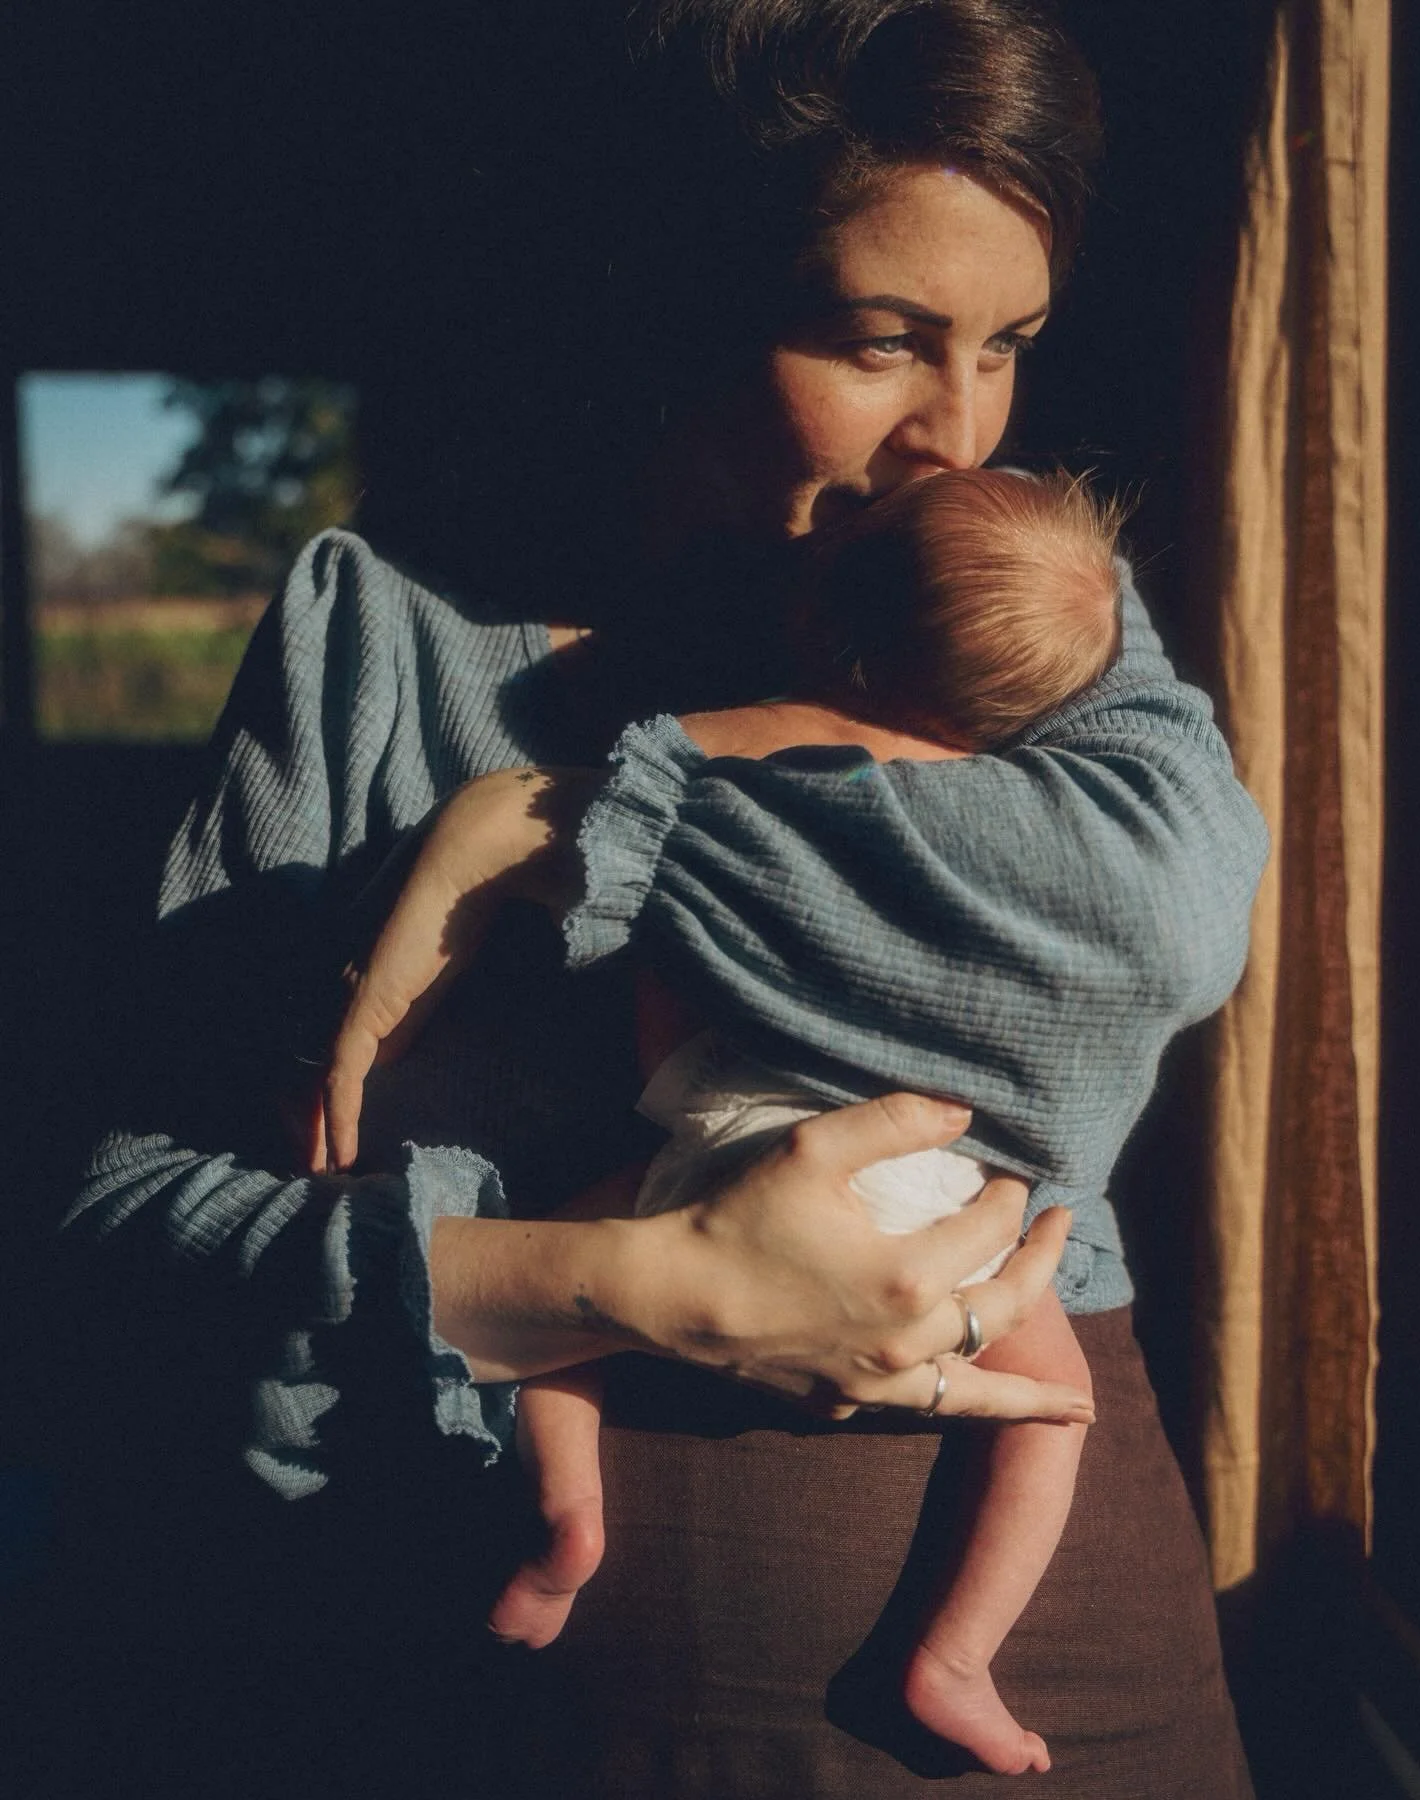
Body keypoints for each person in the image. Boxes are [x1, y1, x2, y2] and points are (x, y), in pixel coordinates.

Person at [66, 3, 1267, 1794]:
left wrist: (570, 824)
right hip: (581, 1641)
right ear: (690, 287)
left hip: (1060, 1612)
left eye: (1008, 343)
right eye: (882, 342)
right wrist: (624, 1279)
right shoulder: (387, 635)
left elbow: (1162, 933)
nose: (959, 432)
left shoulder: (1021, 605)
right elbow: (114, 1223)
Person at [440, 466, 1124, 1777]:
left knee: (554, 1296)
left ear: (839, 619)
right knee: (1055, 1404)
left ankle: (565, 1524)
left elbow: (654, 965)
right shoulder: (1024, 829)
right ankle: (956, 1655)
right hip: (929, 1172)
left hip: (717, 1143)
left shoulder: (712, 752)